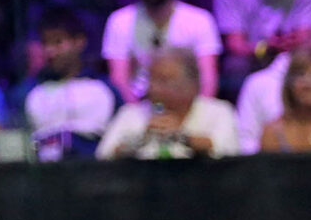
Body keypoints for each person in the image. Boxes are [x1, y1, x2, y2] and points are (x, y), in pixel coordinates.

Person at [100, 0, 221, 101]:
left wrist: (197, 110)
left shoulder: (200, 20)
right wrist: (135, 111)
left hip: (188, 101)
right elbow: (119, 80)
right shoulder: (119, 21)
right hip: (140, 103)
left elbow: (208, 79)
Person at [100, 49, 240, 159]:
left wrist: (182, 138)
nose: (153, 88)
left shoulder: (219, 112)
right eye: (151, 79)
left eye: (163, 81)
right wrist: (140, 140)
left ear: (192, 85)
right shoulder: (130, 114)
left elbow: (227, 152)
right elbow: (104, 157)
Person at [21, 11, 118, 160]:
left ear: (79, 42)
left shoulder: (103, 88)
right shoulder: (31, 92)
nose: (50, 52)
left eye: (58, 42)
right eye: (45, 43)